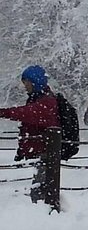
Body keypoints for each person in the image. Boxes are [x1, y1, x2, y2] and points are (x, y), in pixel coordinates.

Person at [0, 65, 60, 202]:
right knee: (37, 187)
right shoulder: (37, 98)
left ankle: (46, 214)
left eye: (26, 82)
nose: (25, 86)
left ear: (35, 81)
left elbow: (26, 113)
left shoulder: (47, 101)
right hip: (37, 152)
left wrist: (3, 112)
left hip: (44, 153)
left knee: (40, 191)